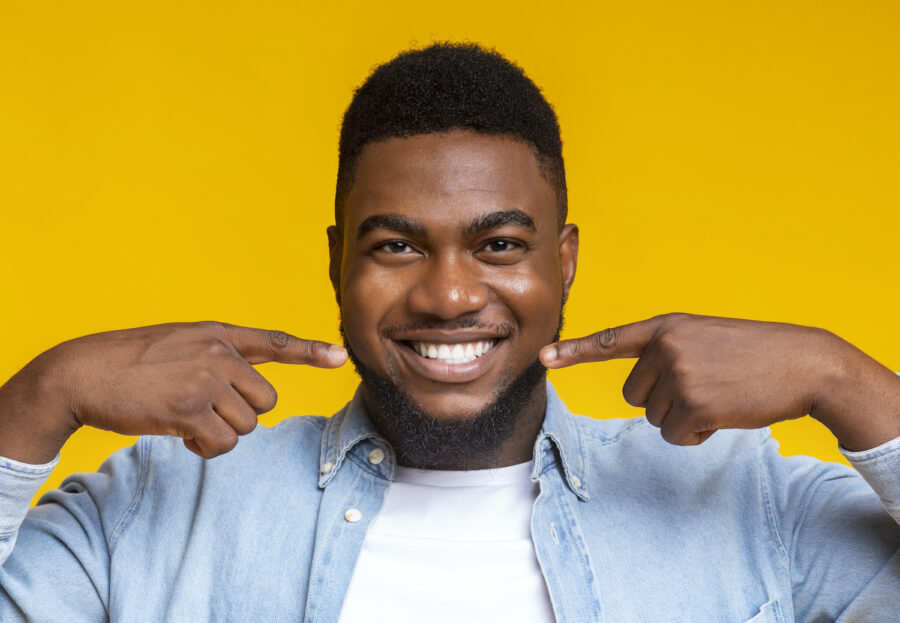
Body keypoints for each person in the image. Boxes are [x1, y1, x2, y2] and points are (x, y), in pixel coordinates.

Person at [0, 42, 897, 622]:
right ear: (336, 262)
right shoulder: (156, 508)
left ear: (566, 261)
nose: (449, 293)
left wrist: (844, 380)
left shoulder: (746, 504)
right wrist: (42, 395)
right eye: (396, 245)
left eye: (499, 243)